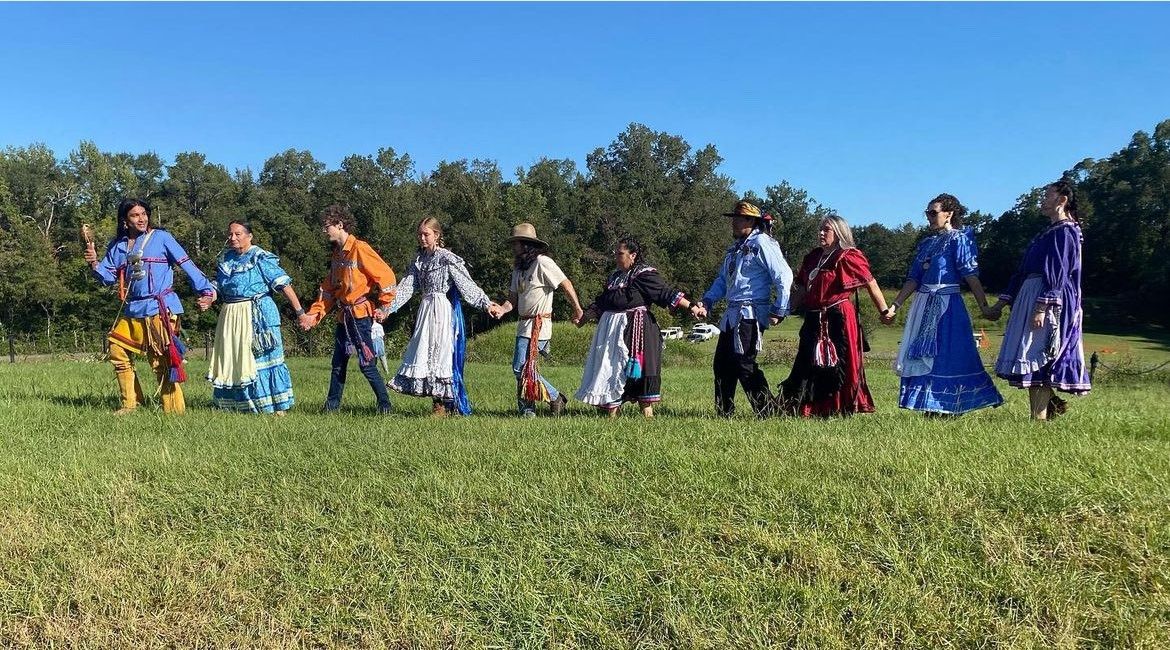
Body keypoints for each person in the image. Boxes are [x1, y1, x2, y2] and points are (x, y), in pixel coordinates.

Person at [83, 198, 216, 414]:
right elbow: (107, 277)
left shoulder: (162, 238)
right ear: (125, 220)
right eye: (135, 215)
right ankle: (131, 403)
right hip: (133, 309)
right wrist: (94, 263)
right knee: (116, 349)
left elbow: (186, 263)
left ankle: (173, 411)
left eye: (144, 213)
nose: (141, 218)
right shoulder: (118, 246)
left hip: (160, 307)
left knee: (161, 360)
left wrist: (207, 292)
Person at [882, 194, 1003, 415]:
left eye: (933, 212)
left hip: (948, 306)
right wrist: (895, 305)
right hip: (923, 304)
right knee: (923, 354)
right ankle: (929, 406)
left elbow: (970, 275)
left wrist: (984, 306)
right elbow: (914, 278)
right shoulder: (927, 244)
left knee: (949, 353)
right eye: (927, 212)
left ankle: (950, 404)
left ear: (949, 214)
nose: (929, 217)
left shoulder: (960, 239)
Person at [987, 179, 1090, 419]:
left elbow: (1059, 271)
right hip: (1031, 293)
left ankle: (1040, 418)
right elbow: (1022, 271)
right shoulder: (1046, 233)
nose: (1043, 200)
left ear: (1062, 200)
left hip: (1049, 298)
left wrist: (1043, 306)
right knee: (1030, 354)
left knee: (1040, 354)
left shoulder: (1066, 231)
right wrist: (1002, 303)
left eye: (1048, 196)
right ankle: (1044, 411)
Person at [776, 215, 891, 417]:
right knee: (807, 361)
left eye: (826, 229)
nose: (821, 233)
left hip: (838, 318)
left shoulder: (848, 256)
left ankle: (838, 407)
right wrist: (783, 311)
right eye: (820, 229)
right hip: (813, 318)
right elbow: (802, 289)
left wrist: (884, 310)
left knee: (838, 364)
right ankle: (805, 408)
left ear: (838, 233)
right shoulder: (813, 257)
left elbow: (870, 282)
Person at [691, 201, 794, 418]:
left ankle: (767, 411)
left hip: (750, 314)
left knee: (744, 363)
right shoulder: (735, 249)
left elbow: (783, 275)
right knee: (722, 364)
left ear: (749, 221)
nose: (733, 223)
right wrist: (707, 301)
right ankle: (724, 412)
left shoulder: (763, 243)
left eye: (737, 219)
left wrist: (779, 309)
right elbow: (722, 280)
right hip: (731, 315)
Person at [386, 217, 497, 417]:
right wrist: (386, 308)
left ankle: (444, 404)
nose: (422, 238)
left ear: (436, 235)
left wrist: (485, 303)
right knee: (425, 353)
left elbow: (466, 284)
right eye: (420, 234)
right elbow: (406, 288)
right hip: (426, 310)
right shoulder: (419, 260)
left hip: (442, 311)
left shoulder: (446, 258)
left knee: (440, 354)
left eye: (426, 234)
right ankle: (438, 403)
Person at [575, 237, 697, 417]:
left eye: (620, 254)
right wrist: (584, 317)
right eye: (616, 253)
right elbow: (602, 302)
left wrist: (692, 306)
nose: (616, 257)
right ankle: (612, 414)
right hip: (611, 331)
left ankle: (647, 414)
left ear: (633, 255)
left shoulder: (644, 274)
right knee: (610, 367)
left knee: (639, 369)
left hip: (637, 330)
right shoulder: (614, 277)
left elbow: (665, 293)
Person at [298, 204, 397, 414]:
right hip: (344, 317)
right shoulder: (337, 256)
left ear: (340, 224)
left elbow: (386, 276)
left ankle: (385, 405)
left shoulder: (360, 248)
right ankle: (331, 409)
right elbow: (329, 290)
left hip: (360, 316)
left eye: (327, 226)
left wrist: (384, 305)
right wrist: (313, 316)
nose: (324, 231)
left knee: (367, 363)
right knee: (338, 363)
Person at [205, 220, 304, 415]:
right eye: (230, 234)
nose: (232, 238)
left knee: (263, 355)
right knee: (237, 357)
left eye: (238, 234)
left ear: (249, 236)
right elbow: (218, 287)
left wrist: (300, 312)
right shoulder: (227, 260)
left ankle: (276, 407)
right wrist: (208, 299)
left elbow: (283, 285)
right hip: (231, 314)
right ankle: (239, 405)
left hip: (258, 313)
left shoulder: (260, 257)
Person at [490, 223, 584, 417]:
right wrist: (501, 309)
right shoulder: (518, 270)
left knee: (521, 368)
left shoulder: (543, 263)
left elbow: (565, 284)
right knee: (523, 369)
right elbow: (512, 300)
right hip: (523, 324)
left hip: (539, 325)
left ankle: (553, 397)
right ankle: (530, 409)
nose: (513, 248)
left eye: (516, 244)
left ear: (526, 245)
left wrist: (577, 309)